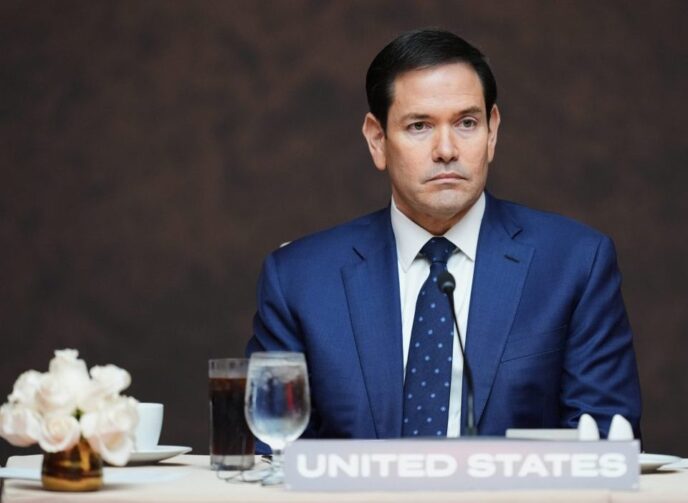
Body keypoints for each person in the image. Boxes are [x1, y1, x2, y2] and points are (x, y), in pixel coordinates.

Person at [247, 28, 641, 440]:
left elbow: (605, 442)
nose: (447, 150)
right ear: (377, 140)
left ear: (492, 131)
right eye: (419, 126)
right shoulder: (299, 280)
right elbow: (271, 450)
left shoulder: (574, 264)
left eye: (467, 123)